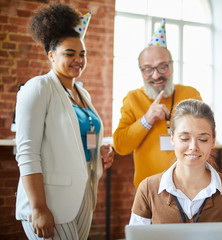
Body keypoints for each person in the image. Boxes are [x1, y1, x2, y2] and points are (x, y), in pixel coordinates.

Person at [15, 3, 115, 239]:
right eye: (69, 54)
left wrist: (97, 151)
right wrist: (39, 208)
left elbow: (80, 137)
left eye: (82, 54)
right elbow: (27, 152)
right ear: (51, 55)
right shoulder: (38, 87)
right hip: (50, 202)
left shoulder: (83, 94)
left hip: (83, 196)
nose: (78, 60)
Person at [129, 99, 222, 224]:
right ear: (172, 139)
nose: (193, 147)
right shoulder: (148, 189)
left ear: (212, 141)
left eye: (203, 139)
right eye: (185, 138)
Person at [113, 19, 202, 188]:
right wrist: (146, 120)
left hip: (189, 186)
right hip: (149, 189)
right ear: (141, 70)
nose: (156, 76)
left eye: (163, 67)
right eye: (148, 69)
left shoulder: (191, 94)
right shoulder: (132, 98)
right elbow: (121, 146)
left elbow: (206, 136)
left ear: (172, 66)